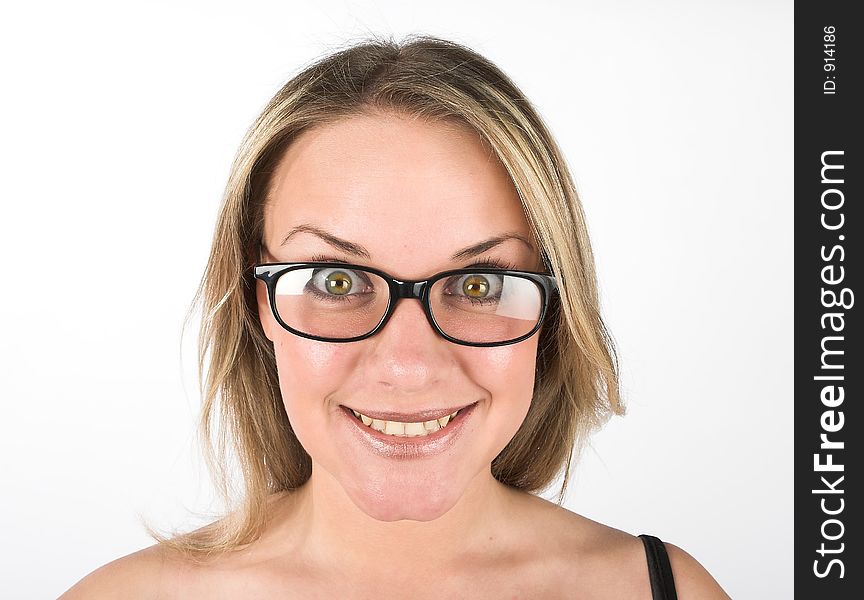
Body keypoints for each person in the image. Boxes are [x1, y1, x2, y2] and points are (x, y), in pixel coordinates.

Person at [61, 34, 730, 599]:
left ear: (555, 309)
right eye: (337, 279)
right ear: (256, 300)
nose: (408, 367)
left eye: (477, 284)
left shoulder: (662, 590)